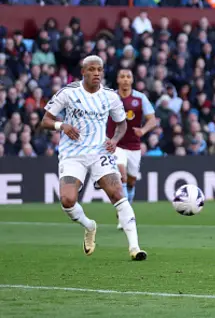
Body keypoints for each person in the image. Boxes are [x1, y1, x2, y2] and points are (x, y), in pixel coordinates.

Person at [40, 56, 147, 261]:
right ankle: (89, 226)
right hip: (73, 153)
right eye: (92, 69)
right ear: (83, 72)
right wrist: (61, 126)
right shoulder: (69, 93)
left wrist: (115, 140)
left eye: (99, 69)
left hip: (100, 152)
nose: (96, 73)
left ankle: (135, 248)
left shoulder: (110, 97)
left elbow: (121, 124)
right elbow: (45, 120)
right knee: (67, 200)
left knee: (118, 193)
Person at [107, 69, 156, 225]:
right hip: (116, 144)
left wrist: (143, 130)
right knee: (122, 176)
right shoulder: (110, 97)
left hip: (134, 146)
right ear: (118, 80)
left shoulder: (140, 98)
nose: (125, 79)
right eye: (122, 76)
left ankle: (125, 208)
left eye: (128, 76)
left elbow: (152, 120)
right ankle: (125, 216)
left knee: (131, 182)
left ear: (132, 80)